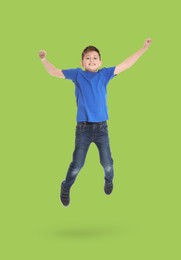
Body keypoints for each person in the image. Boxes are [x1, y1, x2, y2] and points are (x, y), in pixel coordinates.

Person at [39, 39, 152, 206]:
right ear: (82, 61)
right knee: (77, 164)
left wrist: (144, 48)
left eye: (94, 58)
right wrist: (44, 60)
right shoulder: (78, 74)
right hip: (83, 129)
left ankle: (108, 181)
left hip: (101, 129)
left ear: (100, 61)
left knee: (107, 164)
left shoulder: (105, 74)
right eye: (87, 58)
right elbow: (54, 72)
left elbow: (127, 63)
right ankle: (65, 186)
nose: (91, 61)